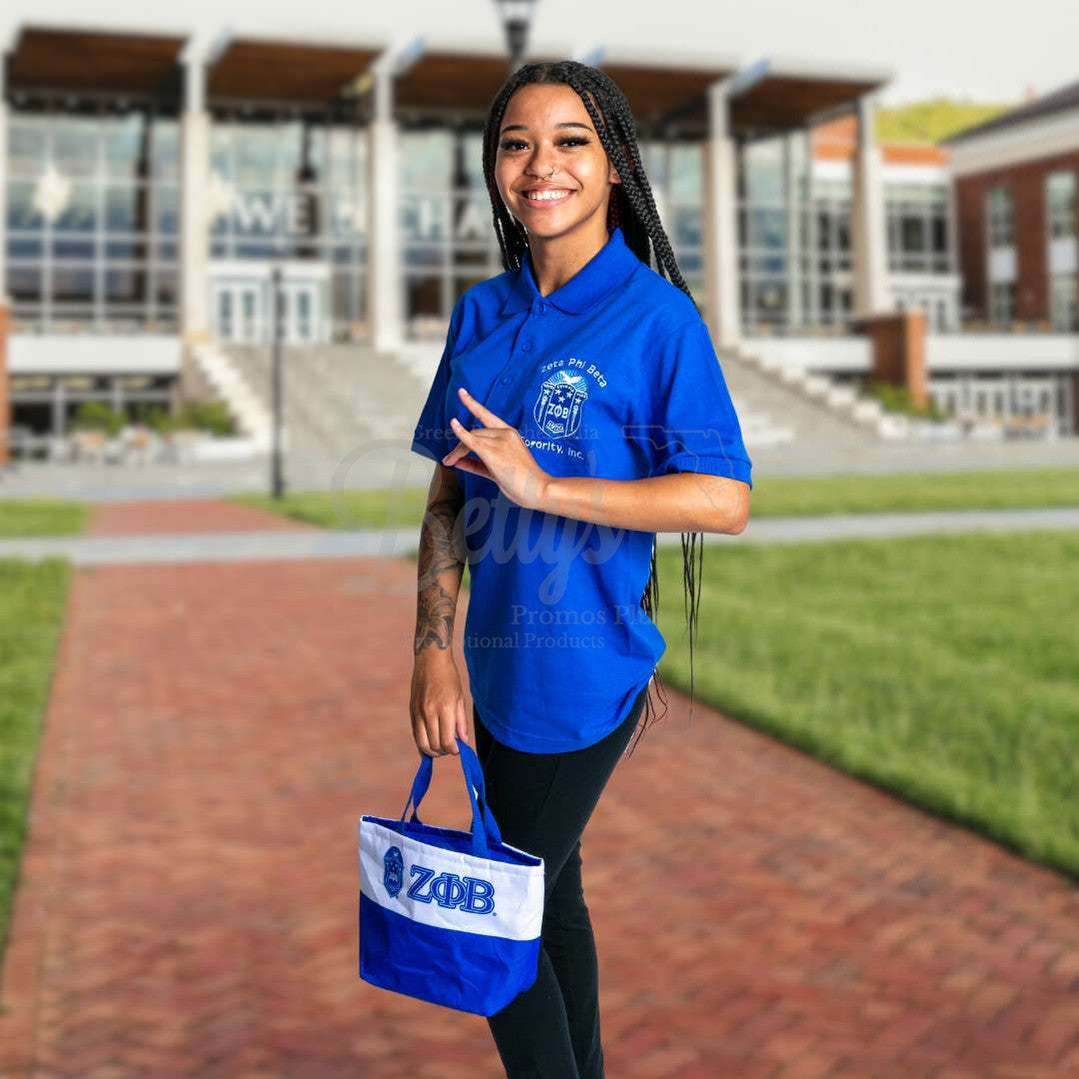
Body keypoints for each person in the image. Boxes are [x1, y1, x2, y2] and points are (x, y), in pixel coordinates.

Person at [408, 60, 752, 1079]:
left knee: (495, 930)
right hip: (493, 671)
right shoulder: (480, 315)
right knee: (549, 901)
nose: (540, 164)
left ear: (611, 167)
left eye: (569, 141)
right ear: (495, 168)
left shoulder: (652, 321)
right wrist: (433, 650)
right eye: (517, 142)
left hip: (581, 678)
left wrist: (544, 487)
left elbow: (722, 498)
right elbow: (444, 501)